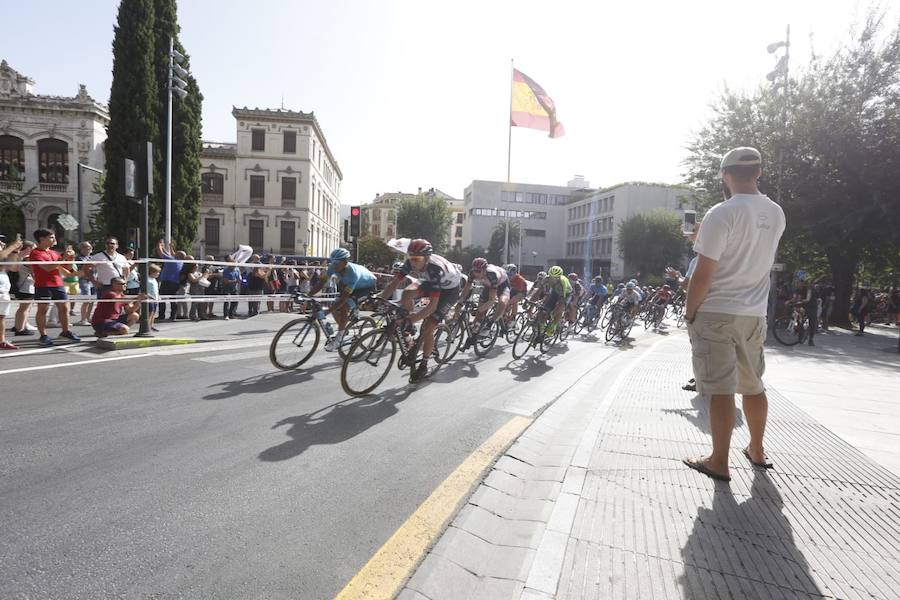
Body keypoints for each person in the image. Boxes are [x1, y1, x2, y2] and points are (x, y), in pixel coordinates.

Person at [683, 147, 785, 482]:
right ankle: (756, 449)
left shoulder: (721, 213)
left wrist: (689, 311)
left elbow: (704, 274)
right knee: (754, 386)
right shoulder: (776, 213)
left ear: (724, 175)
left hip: (716, 311)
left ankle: (718, 461)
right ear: (759, 172)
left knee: (721, 389)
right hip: (754, 313)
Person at [379, 239, 461, 382]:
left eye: (416, 259)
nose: (412, 262)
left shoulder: (436, 270)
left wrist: (411, 320)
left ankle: (424, 363)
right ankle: (407, 321)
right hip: (429, 281)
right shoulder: (412, 260)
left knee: (429, 325)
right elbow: (394, 283)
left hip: (450, 291)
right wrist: (379, 300)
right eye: (410, 258)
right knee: (407, 293)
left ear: (427, 258)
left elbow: (432, 307)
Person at [309, 248, 378, 351]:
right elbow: (321, 283)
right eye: (332, 261)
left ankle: (339, 339)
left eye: (337, 262)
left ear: (345, 262)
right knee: (335, 305)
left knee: (343, 306)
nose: (334, 264)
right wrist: (308, 294)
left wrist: (326, 312)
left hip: (367, 287)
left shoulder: (353, 274)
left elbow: (343, 299)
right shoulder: (333, 267)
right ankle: (344, 329)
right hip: (352, 285)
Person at [30, 229, 81, 346]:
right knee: (43, 309)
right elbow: (48, 268)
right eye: (51, 237)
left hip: (58, 283)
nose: (54, 240)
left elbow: (66, 269)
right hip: (43, 285)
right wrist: (63, 258)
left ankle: (65, 331)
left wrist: (70, 258)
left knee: (64, 308)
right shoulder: (36, 253)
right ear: (42, 239)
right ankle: (43, 335)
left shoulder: (54, 253)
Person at [455, 258, 510, 330]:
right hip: (488, 285)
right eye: (474, 270)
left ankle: (491, 322)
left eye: (478, 271)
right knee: (480, 313)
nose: (476, 273)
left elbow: (491, 300)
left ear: (484, 270)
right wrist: (460, 302)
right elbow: (466, 289)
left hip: (502, 284)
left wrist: (478, 309)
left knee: (502, 302)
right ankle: (476, 329)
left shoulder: (492, 274)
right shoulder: (472, 273)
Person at [0, 234, 23, 350]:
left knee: (1, 317)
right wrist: (12, 246)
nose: (2, 244)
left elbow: (13, 268)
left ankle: (1, 340)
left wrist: (14, 252)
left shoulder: (4, 254)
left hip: (3, 291)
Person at [155, 240, 185, 321]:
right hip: (175, 283)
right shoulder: (181, 262)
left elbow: (161, 253)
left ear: (178, 256)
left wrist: (159, 245)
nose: (174, 253)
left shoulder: (172, 260)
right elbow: (172, 254)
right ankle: (173, 316)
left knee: (162, 298)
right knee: (173, 299)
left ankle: (161, 315)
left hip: (167, 282)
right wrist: (168, 247)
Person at [75, 241, 95, 326]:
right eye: (87, 247)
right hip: (84, 280)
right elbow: (81, 269)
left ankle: (88, 317)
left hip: (93, 280)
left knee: (92, 300)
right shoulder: (79, 258)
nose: (89, 249)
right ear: (81, 249)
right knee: (87, 300)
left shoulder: (91, 257)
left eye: (90, 247)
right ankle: (83, 319)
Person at [147, 263, 160, 331]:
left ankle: (151, 325)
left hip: (155, 299)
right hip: (150, 299)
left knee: (154, 312)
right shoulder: (148, 280)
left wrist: (158, 296)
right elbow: (147, 291)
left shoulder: (154, 280)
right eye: (157, 272)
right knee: (150, 313)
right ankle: (147, 326)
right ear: (152, 272)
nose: (158, 274)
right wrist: (150, 297)